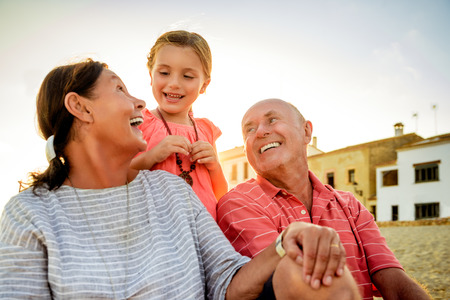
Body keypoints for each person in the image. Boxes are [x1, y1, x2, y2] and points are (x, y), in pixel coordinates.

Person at [0, 60, 360, 299]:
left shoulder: (172, 191)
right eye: (121, 90)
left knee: (318, 273)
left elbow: (227, 282)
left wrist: (289, 242)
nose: (142, 102)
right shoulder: (30, 214)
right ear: (80, 107)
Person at [217, 98, 431, 300]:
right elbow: (299, 281)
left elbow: (392, 278)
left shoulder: (351, 205)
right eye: (249, 129)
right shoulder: (238, 203)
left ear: (306, 131)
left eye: (272, 120)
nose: (260, 132)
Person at [131, 30, 226, 220]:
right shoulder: (139, 122)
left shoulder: (206, 129)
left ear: (204, 85)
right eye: (164, 73)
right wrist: (153, 156)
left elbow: (221, 192)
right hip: (157, 229)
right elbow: (120, 176)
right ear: (151, 75)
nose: (174, 83)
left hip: (205, 232)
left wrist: (214, 166)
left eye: (188, 76)